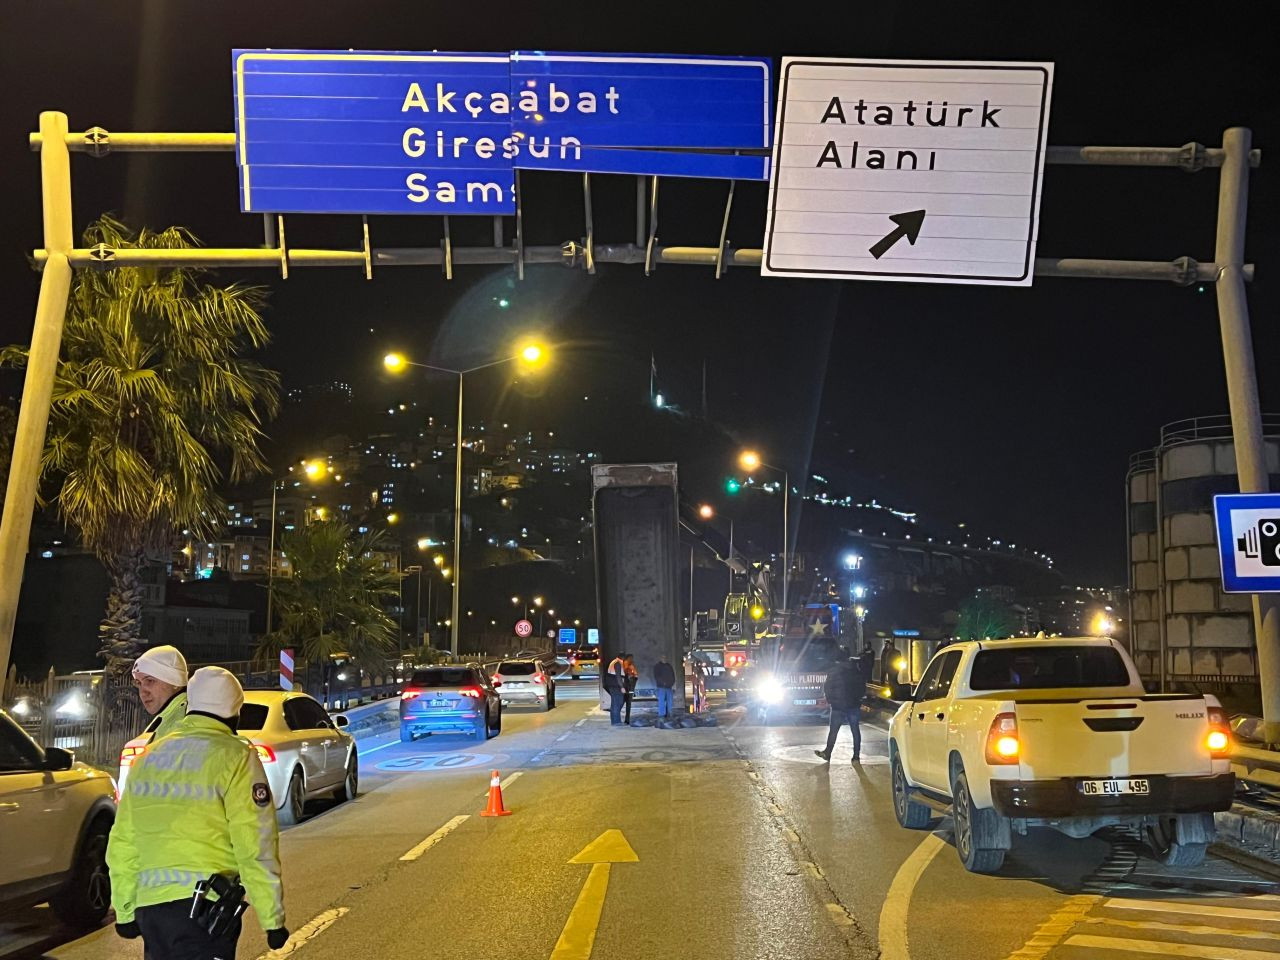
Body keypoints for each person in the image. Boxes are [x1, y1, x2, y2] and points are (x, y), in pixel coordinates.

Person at [107, 666, 288, 960]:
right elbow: (255, 842)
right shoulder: (236, 755)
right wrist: (272, 919)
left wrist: (125, 910)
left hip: (152, 912)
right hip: (205, 910)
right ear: (234, 711)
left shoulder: (149, 757)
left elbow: (123, 840)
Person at [815, 648, 865, 765]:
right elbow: (862, 686)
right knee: (855, 730)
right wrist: (858, 699)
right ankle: (856, 756)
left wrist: (831, 700)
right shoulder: (855, 670)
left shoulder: (834, 671)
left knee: (833, 731)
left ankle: (828, 753)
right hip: (853, 705)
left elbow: (827, 687)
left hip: (838, 707)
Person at [131, 645, 189, 742]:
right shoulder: (165, 719)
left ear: (175, 682)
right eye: (139, 683)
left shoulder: (182, 724)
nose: (143, 693)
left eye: (150, 681)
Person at [604, 653, 629, 725]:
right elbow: (618, 676)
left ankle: (615, 720)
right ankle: (616, 722)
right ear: (623, 658)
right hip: (615, 685)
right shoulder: (618, 663)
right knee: (617, 703)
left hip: (613, 685)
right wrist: (622, 687)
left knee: (618, 702)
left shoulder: (615, 662)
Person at [622, 656, 639, 724]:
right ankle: (627, 720)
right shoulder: (628, 667)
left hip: (630, 686)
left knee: (628, 703)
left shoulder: (630, 667)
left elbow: (636, 676)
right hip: (628, 686)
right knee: (627, 703)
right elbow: (635, 676)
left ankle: (627, 720)